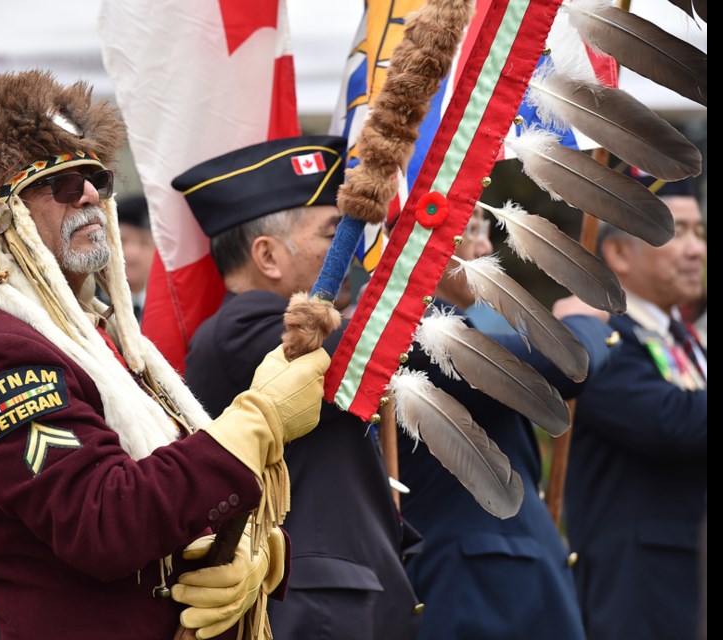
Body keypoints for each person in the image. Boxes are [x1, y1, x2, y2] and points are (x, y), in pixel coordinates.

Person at [0, 70, 329, 640]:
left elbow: (150, 492)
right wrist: (259, 420)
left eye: (95, 178)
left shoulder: (79, 333)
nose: (89, 195)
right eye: (60, 182)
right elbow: (105, 520)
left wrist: (240, 550)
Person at [178, 135, 424, 640]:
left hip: (339, 601)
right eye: (335, 233)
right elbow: (368, 357)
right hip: (314, 610)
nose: (352, 249)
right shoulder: (240, 330)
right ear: (267, 257)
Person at [396, 205, 614, 640]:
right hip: (476, 588)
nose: (486, 246)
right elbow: (560, 368)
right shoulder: (411, 331)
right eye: (472, 229)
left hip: (492, 584)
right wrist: (582, 323)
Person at [560, 174, 707, 640]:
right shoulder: (596, 340)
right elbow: (671, 423)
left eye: (700, 233)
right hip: (637, 593)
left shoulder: (686, 340)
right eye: (675, 232)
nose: (695, 250)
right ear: (619, 253)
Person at [116, 195, 155, 322]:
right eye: (122, 241)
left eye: (144, 243)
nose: (132, 254)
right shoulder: (86, 303)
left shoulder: (169, 308)